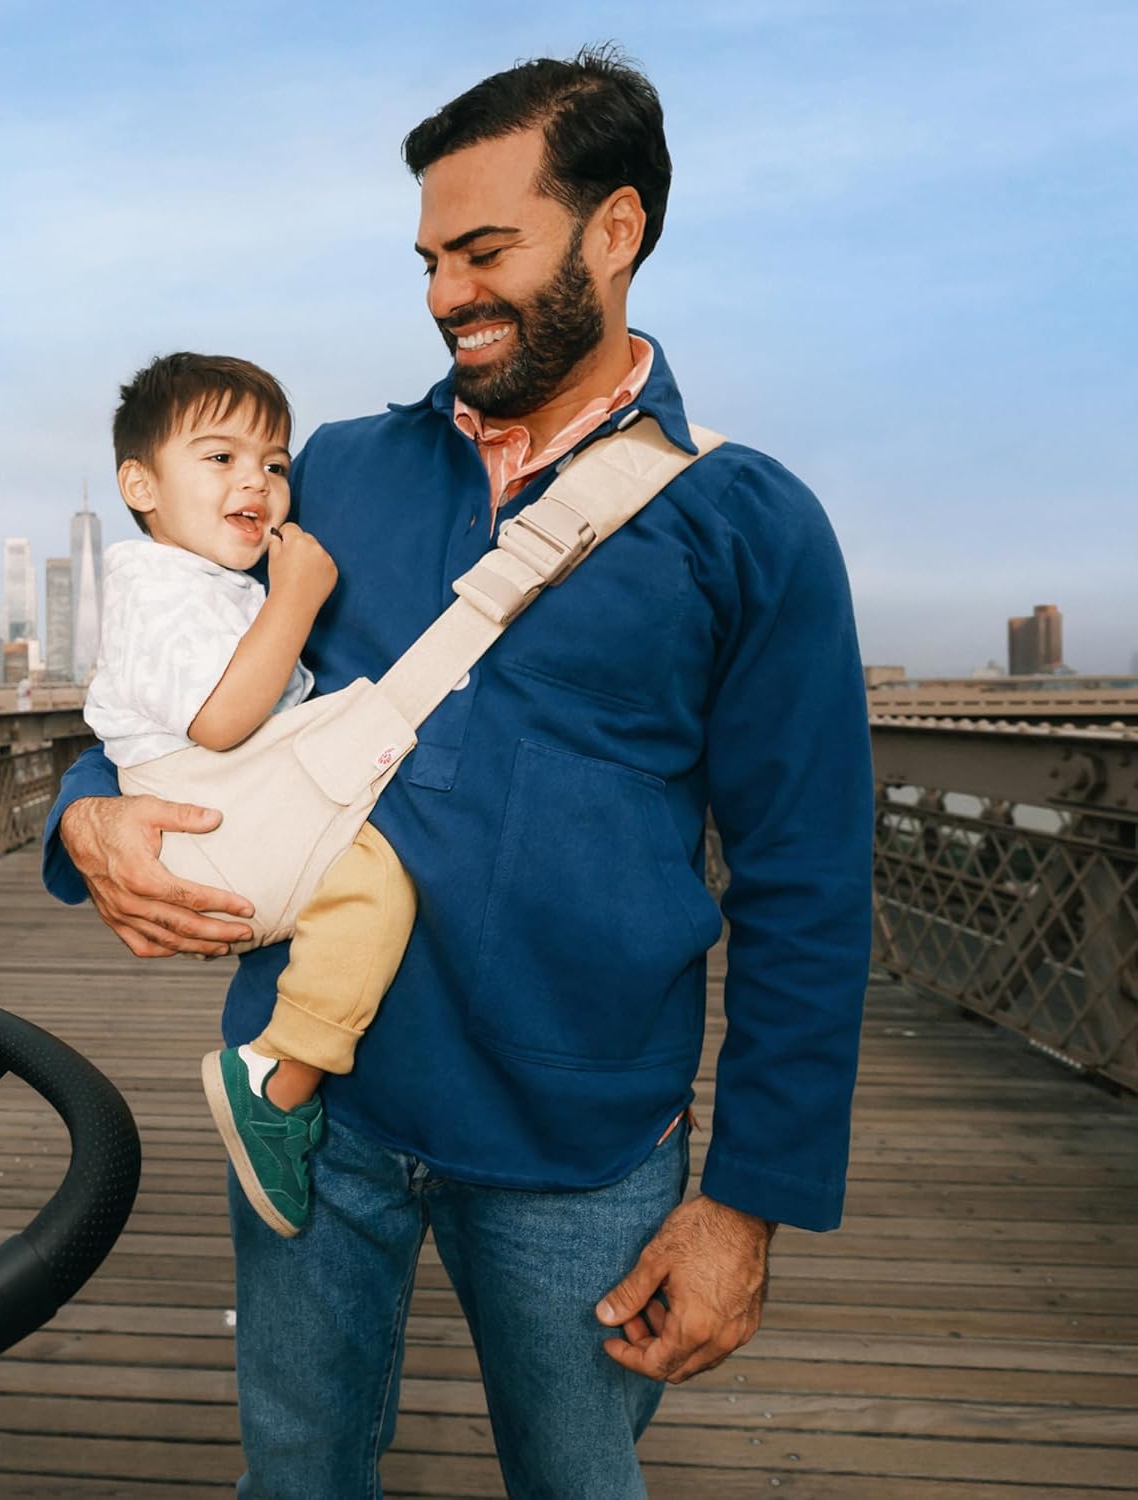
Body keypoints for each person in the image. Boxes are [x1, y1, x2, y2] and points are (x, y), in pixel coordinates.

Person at [44, 45, 874, 1499]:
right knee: (295, 1482)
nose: (443, 295)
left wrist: (746, 1206)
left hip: (583, 1143)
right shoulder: (337, 473)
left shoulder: (751, 524)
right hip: (312, 1105)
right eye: (429, 257)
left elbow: (811, 882)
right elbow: (166, 678)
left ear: (614, 232)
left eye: (485, 251)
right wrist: (84, 818)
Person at [82, 352, 417, 1237]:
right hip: (213, 810)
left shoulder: (198, 583)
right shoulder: (161, 589)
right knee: (375, 881)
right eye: (220, 457)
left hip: (222, 805)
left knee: (369, 882)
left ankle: (283, 1072)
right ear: (139, 483)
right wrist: (297, 597)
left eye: (274, 463)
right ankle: (281, 1074)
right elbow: (226, 719)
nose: (259, 482)